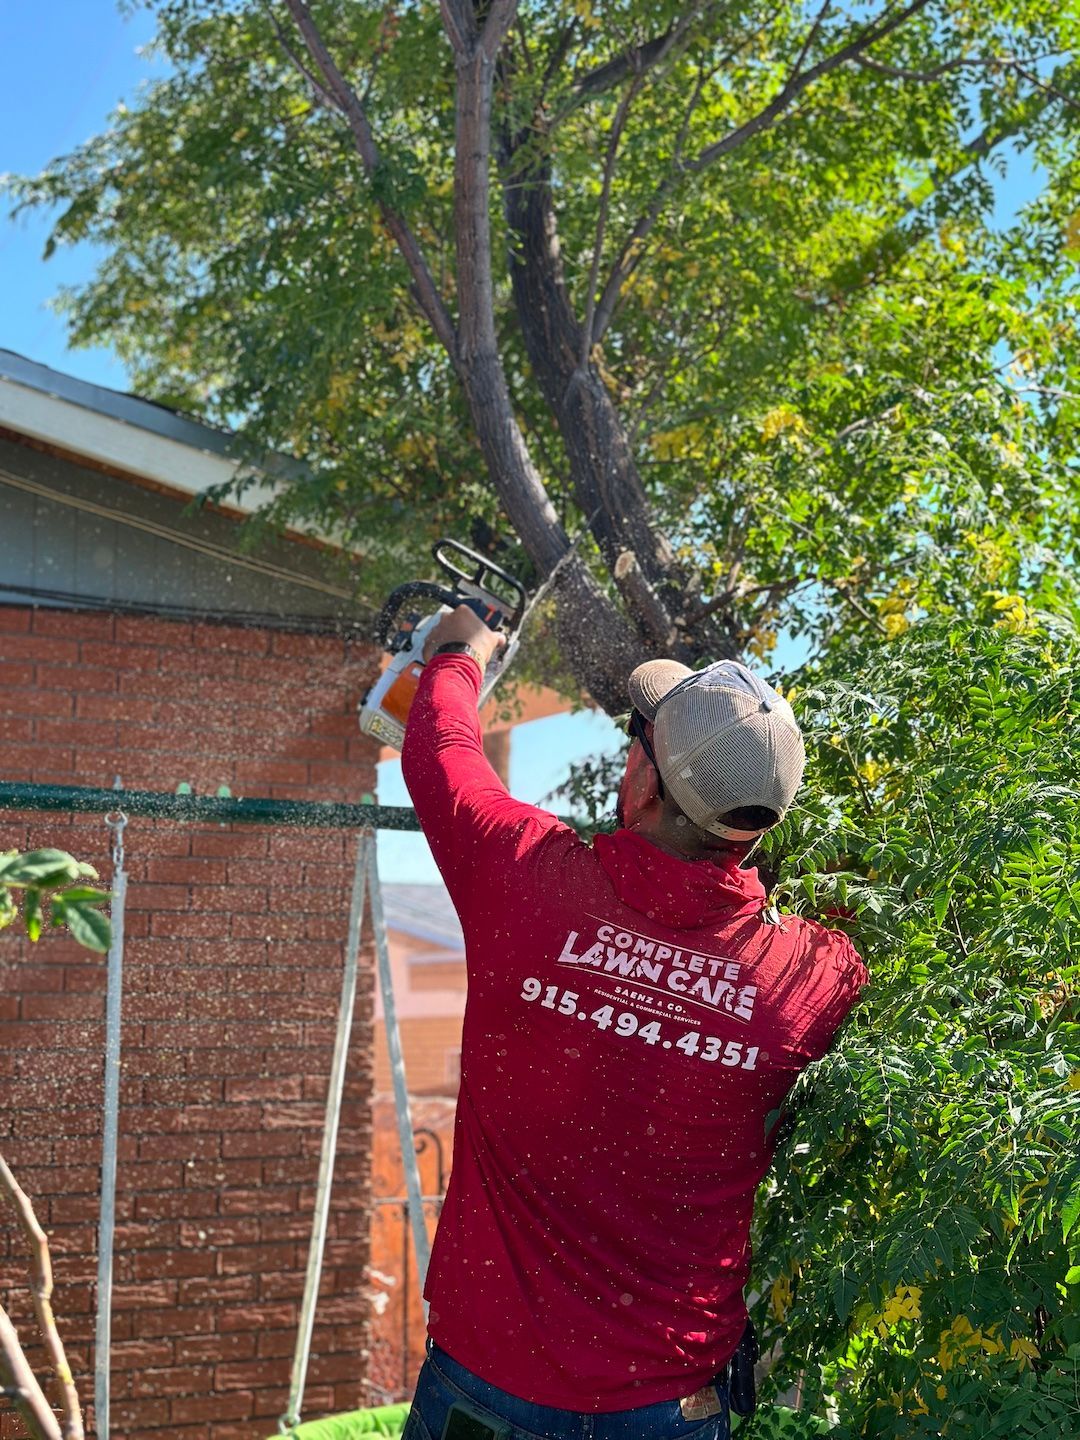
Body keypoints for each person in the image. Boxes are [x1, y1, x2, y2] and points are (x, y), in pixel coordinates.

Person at [398, 606, 867, 1440]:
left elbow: (443, 754)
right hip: (673, 1407)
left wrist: (457, 655)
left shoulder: (525, 881)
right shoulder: (813, 976)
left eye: (638, 739)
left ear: (646, 784)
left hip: (487, 1388)